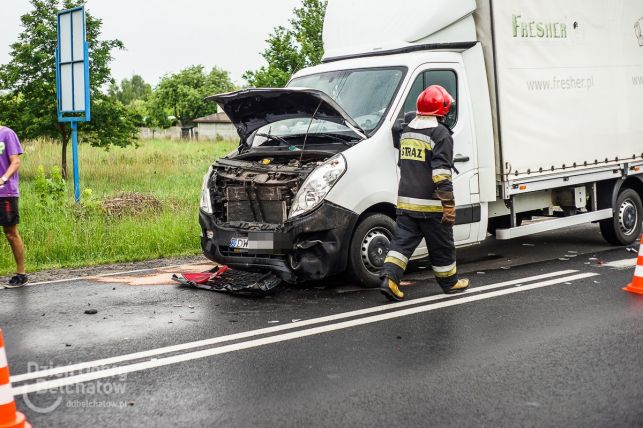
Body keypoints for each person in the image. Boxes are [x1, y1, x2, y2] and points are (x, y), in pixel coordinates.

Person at [381, 85, 469, 301]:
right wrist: (448, 204)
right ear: (442, 109)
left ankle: (389, 280)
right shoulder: (440, 134)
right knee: (442, 245)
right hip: (431, 206)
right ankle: (450, 283)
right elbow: (441, 174)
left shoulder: (408, 131)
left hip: (406, 203)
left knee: (401, 244)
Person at [0, 125, 27, 287]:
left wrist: (3, 179)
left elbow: (15, 162)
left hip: (5, 192)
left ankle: (21, 274)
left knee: (10, 233)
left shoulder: (7, 134)